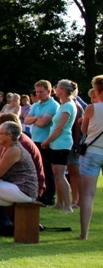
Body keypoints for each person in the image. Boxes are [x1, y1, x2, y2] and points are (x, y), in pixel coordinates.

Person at [40, 79, 78, 213]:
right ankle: (59, 202)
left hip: (62, 143)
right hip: (56, 143)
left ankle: (68, 206)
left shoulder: (68, 106)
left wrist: (47, 141)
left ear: (63, 90)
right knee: (57, 174)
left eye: (58, 87)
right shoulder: (63, 105)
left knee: (60, 175)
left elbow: (60, 128)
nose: (55, 89)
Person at [24, 80, 59, 206]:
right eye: (37, 92)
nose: (38, 94)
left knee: (47, 169)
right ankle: (39, 192)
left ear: (49, 91)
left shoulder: (53, 105)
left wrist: (34, 119)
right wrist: (35, 118)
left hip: (46, 141)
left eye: (41, 92)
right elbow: (26, 120)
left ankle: (49, 195)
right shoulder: (36, 105)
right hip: (35, 140)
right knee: (37, 168)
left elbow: (44, 123)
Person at [79, 75, 103, 240]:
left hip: (92, 151)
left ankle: (84, 233)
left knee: (87, 194)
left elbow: (84, 130)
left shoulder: (91, 108)